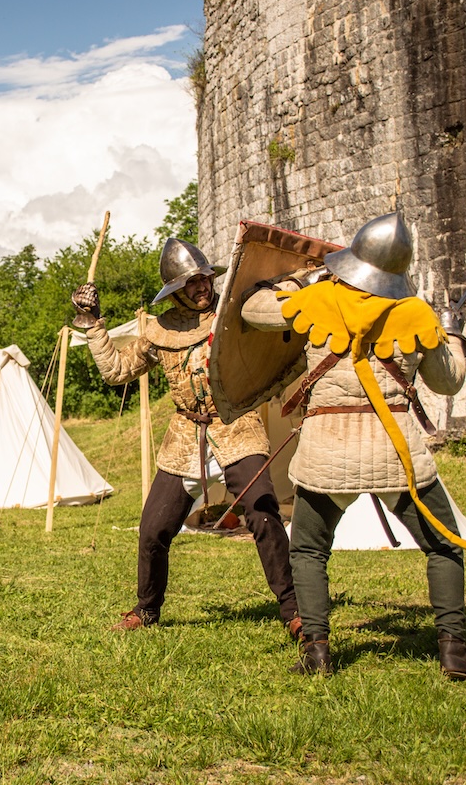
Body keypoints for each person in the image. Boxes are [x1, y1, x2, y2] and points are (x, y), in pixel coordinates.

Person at [239, 211, 466, 679]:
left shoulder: (318, 300)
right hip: (394, 452)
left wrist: (296, 286)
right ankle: (455, 652)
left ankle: (317, 653)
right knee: (443, 547)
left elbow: (251, 309)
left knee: (309, 552)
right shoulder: (416, 314)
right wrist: (454, 342)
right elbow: (447, 383)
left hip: (328, 449)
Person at [72, 238, 301, 638]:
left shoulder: (233, 313)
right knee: (153, 530)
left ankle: (295, 610)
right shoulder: (159, 330)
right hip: (183, 436)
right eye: (192, 283)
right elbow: (117, 370)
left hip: (236, 425)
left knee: (263, 513)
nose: (202, 287)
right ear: (175, 291)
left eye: (205, 278)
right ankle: (147, 609)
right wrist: (93, 325)